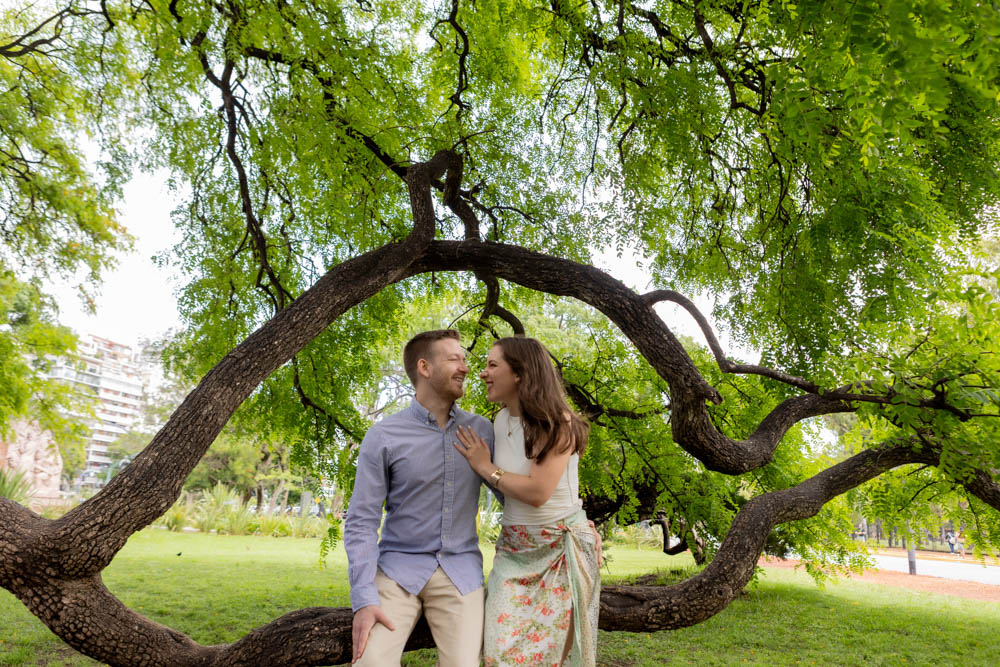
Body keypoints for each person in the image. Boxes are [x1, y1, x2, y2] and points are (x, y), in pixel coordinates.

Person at [344, 329, 496, 666]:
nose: (466, 367)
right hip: (397, 570)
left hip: (461, 572)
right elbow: (362, 522)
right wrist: (364, 598)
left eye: (465, 359)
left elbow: (513, 494)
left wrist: (572, 522)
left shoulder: (482, 431)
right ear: (424, 367)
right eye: (454, 358)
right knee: (370, 663)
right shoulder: (383, 435)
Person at [455, 336, 601, 667]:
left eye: (492, 365)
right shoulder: (501, 421)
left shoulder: (558, 422)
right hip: (513, 552)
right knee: (498, 653)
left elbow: (538, 493)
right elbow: (509, 489)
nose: (483, 373)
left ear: (520, 373)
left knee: (548, 658)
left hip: (559, 553)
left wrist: (485, 467)